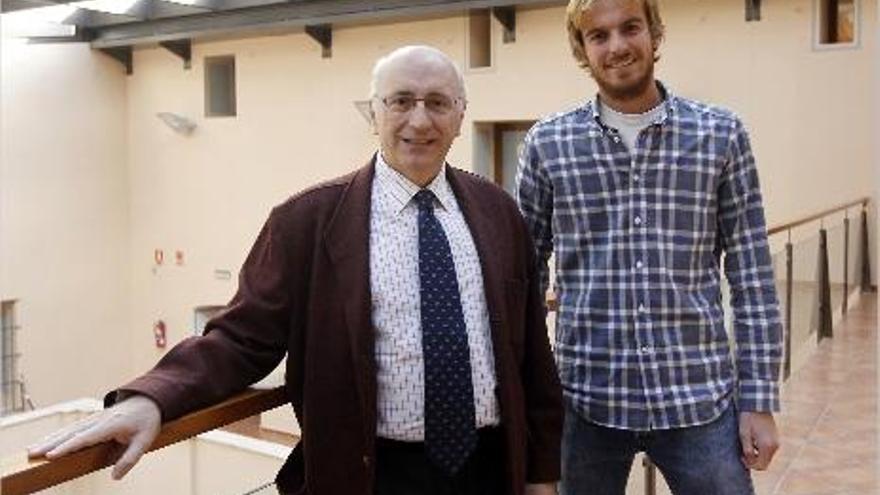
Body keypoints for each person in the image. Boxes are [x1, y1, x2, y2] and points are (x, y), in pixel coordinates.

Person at [30, 45, 562, 495]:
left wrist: (541, 475)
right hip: (372, 474)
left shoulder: (498, 213)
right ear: (374, 111)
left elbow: (532, 356)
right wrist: (153, 397)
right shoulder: (306, 222)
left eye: (438, 103)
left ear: (461, 114)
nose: (419, 120)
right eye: (401, 101)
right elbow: (240, 338)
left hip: (491, 470)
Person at [515, 1, 782, 494]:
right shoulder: (546, 143)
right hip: (586, 401)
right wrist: (530, 399)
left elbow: (752, 274)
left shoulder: (721, 134)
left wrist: (759, 400)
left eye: (630, 28)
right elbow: (523, 277)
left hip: (698, 400)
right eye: (599, 35)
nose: (617, 46)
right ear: (583, 48)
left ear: (654, 34)